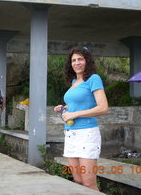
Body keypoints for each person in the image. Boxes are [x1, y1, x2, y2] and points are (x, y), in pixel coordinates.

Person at [54, 46, 108, 191]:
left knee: (89, 183)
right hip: (71, 134)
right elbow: (77, 105)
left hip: (87, 134)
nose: (77, 63)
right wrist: (64, 107)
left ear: (87, 61)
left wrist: (75, 114)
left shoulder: (93, 79)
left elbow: (103, 108)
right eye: (73, 60)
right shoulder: (74, 82)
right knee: (78, 180)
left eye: (80, 59)